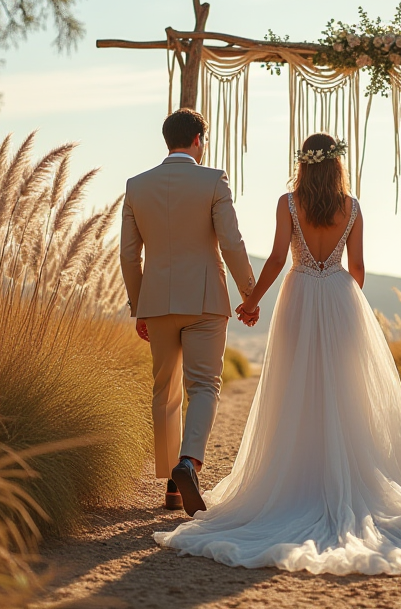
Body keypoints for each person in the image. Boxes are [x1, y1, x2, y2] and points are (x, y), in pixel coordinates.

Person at [153, 132, 401, 575]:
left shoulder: (288, 203)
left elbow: (278, 258)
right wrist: (344, 302)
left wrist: (252, 300)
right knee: (342, 390)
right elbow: (356, 268)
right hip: (340, 298)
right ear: (337, 165)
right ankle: (340, 476)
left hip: (299, 295)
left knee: (294, 388)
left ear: (303, 164)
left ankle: (298, 480)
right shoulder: (352, 207)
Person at [120, 108, 258, 514]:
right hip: (204, 301)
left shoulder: (136, 186)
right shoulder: (213, 179)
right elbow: (231, 243)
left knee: (165, 391)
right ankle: (189, 462)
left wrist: (139, 305)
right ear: (199, 139)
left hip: (157, 303)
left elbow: (129, 255)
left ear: (168, 140)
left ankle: (172, 487)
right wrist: (249, 294)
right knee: (204, 386)